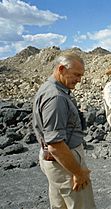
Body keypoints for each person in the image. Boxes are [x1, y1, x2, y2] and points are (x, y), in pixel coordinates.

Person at [32, 52, 96, 209]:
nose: (79, 80)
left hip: (57, 161)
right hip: (65, 161)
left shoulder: (50, 89)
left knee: (60, 204)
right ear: (61, 69)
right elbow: (56, 144)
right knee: (81, 204)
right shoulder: (56, 97)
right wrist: (78, 173)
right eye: (76, 74)